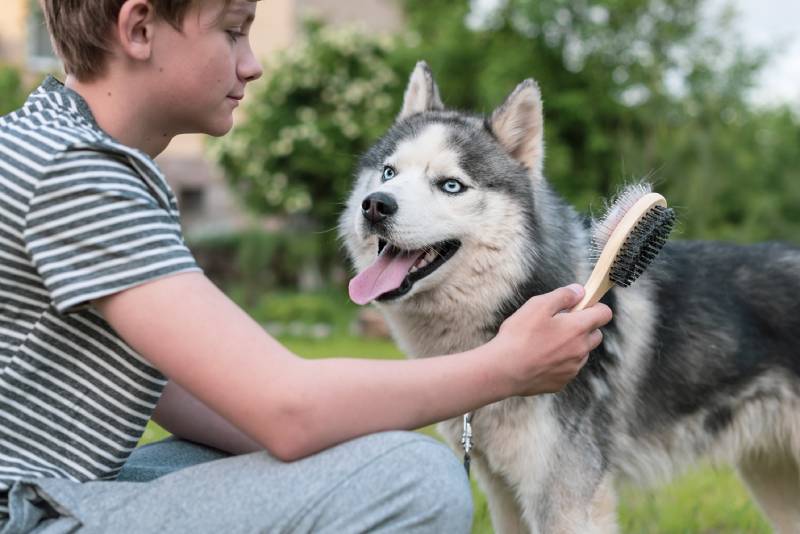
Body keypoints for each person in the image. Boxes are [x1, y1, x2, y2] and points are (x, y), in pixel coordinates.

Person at [0, 0, 613, 532]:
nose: (253, 62)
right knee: (411, 476)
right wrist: (504, 367)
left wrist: (350, 436)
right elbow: (286, 410)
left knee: (370, 445)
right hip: (21, 511)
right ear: (138, 30)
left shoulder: (63, 147)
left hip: (52, 491)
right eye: (234, 30)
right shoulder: (76, 174)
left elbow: (186, 394)